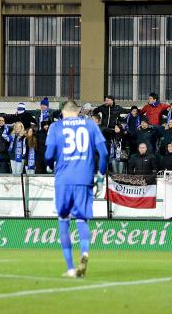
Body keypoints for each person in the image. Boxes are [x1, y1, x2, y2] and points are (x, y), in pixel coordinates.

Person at [45, 100, 108, 278]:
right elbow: (103, 153)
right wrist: (101, 176)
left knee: (63, 220)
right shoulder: (90, 125)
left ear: (64, 113)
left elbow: (49, 154)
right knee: (82, 219)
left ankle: (71, 268)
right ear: (78, 111)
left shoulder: (56, 127)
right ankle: (85, 252)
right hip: (84, 178)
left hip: (63, 179)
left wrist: (50, 165)